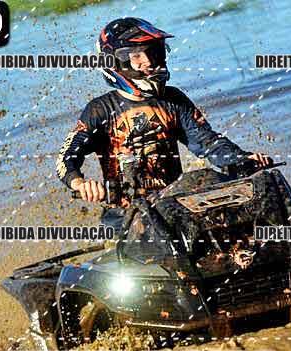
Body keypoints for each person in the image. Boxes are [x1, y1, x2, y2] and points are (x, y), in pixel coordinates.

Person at [56, 17, 273, 225]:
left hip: (173, 208)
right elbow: (66, 158)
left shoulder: (173, 100)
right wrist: (81, 184)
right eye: (136, 56)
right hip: (124, 218)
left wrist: (241, 159)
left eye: (152, 51)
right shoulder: (100, 110)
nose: (148, 61)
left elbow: (207, 142)